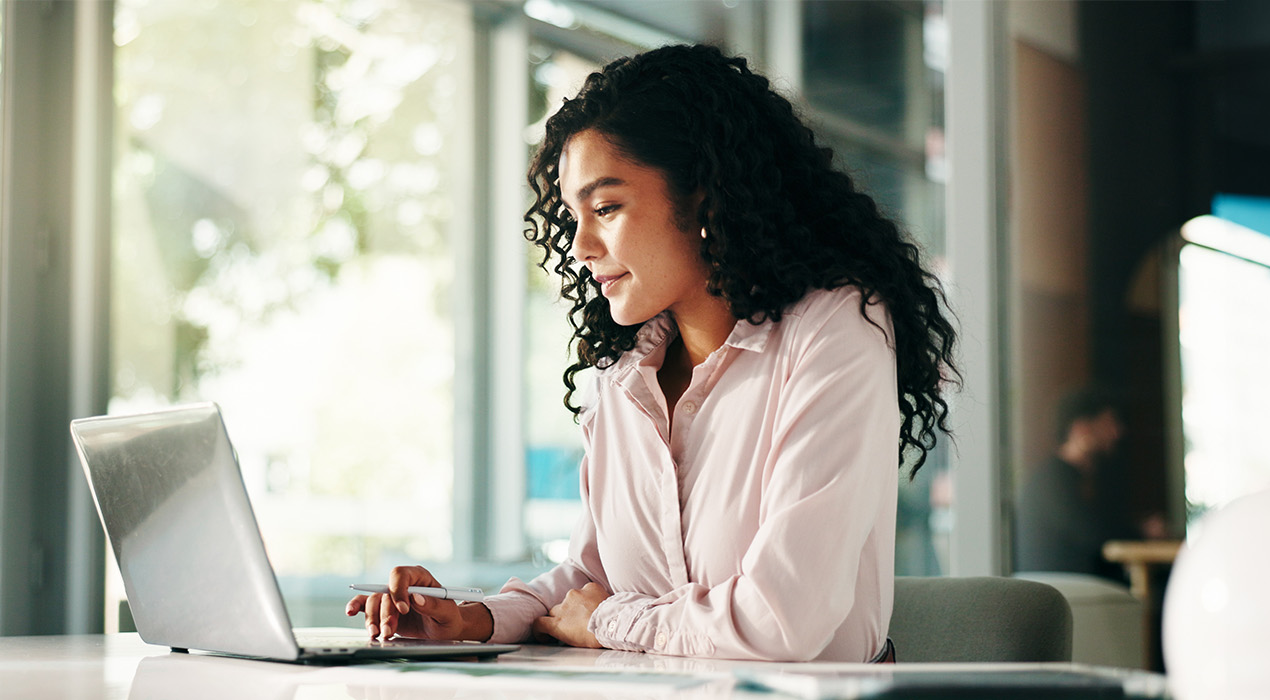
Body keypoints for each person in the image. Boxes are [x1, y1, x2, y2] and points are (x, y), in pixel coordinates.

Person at [345, 44, 958, 663]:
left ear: (705, 198)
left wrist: (611, 620)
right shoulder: (624, 377)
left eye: (606, 207)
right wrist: (471, 619)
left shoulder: (836, 328)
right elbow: (590, 580)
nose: (581, 245)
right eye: (572, 216)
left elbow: (782, 620)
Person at [1013, 388, 1164, 579]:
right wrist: (1143, 532)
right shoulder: (1052, 480)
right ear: (1081, 428)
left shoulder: (1072, 477)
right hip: (1062, 589)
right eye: (1108, 423)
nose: (1117, 432)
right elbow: (1092, 534)